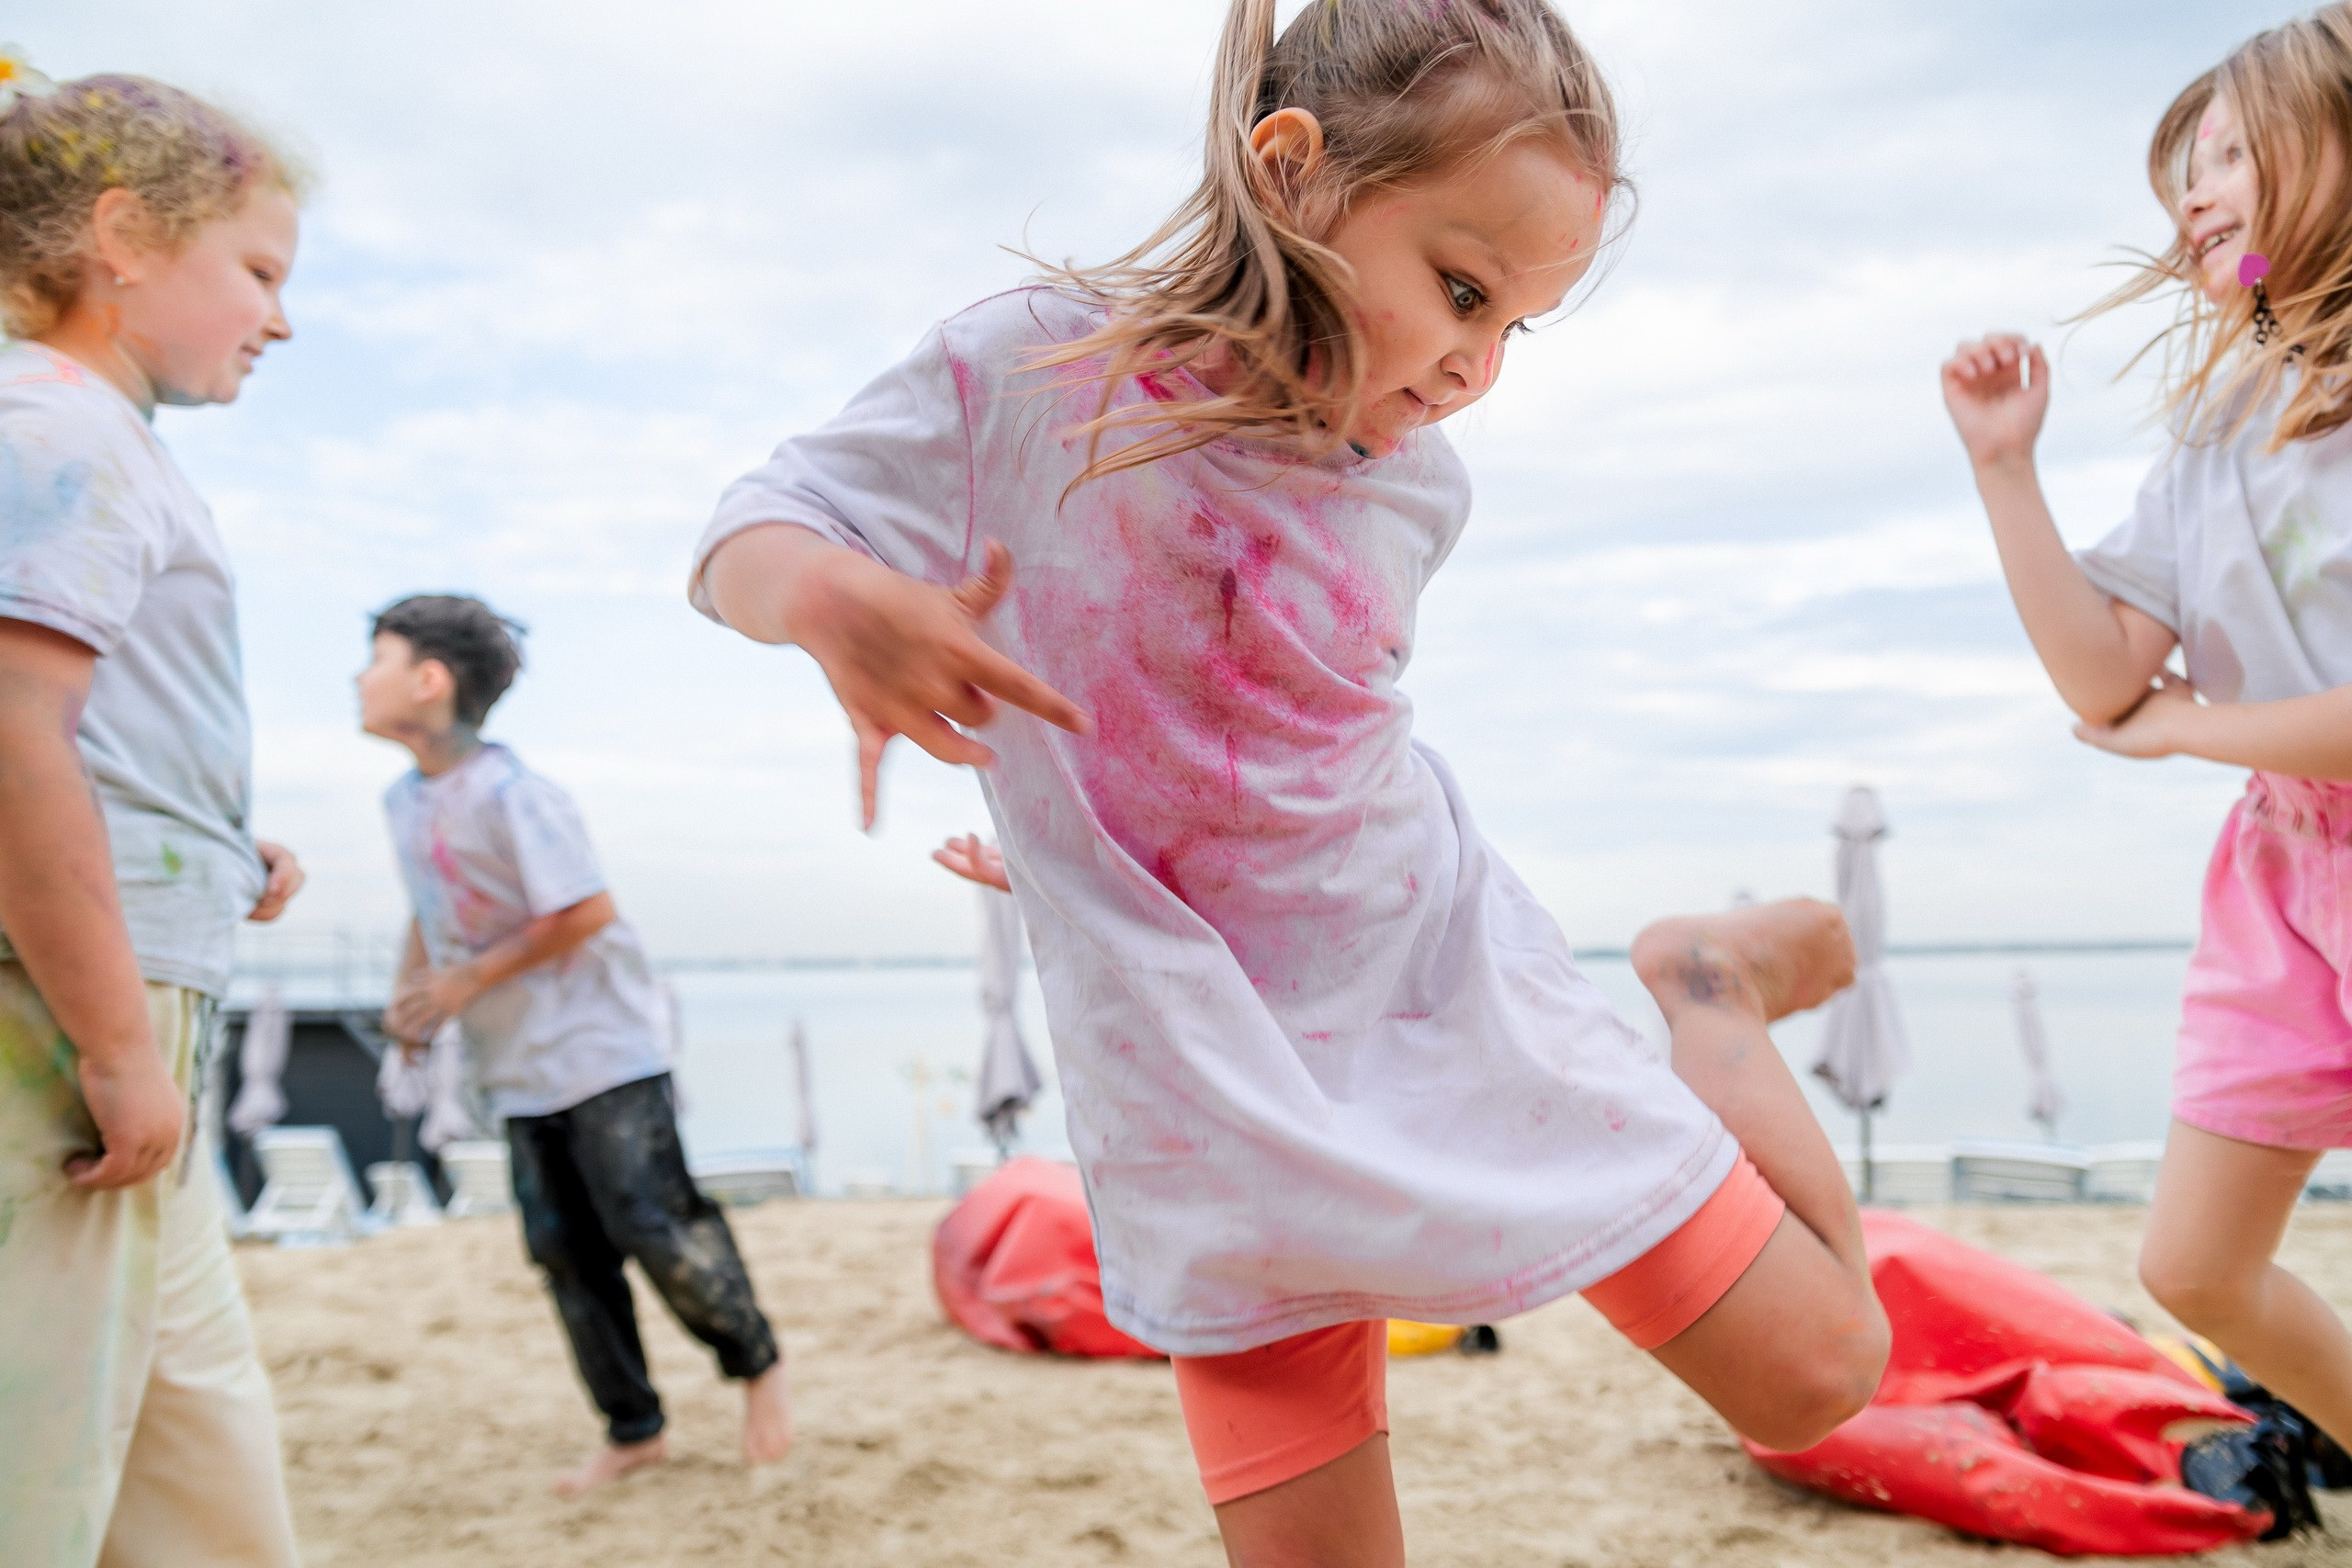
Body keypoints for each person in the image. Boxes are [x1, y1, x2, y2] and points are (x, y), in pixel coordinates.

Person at [691, 2, 1888, 1560]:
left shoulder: (1415, 485)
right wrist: (831, 602)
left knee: (1818, 1374)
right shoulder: (1031, 372)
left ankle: (1708, 986)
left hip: (1434, 981)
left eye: (1516, 325)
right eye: (1463, 291)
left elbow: (1296, 737)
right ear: (1294, 171)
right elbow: (746, 528)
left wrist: (1150, 806)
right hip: (1192, 1073)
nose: (1476, 369)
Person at [1941, 5, 2352, 1457]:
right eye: (2186, 162)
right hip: (2286, 877)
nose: (2196, 187)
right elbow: (2105, 679)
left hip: (2296, 806)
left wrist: (2203, 733)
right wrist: (2006, 473)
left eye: (2236, 151)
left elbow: (2165, 720)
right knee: (2192, 1266)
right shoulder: (2224, 418)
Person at [0, 60, 310, 1568]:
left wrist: (208, 836)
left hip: (132, 995)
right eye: (257, 269)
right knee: (34, 1467)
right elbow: (9, 735)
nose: (282, 315)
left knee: (200, 1460)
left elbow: (95, 735)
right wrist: (118, 1049)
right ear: (120, 237)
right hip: (69, 1021)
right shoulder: (54, 429)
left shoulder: (104, 440)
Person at [356, 593, 793, 1495]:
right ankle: (633, 1427)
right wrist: (417, 1000)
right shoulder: (403, 801)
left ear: (430, 680)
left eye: (378, 659)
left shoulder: (519, 793)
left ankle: (758, 1369)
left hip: (606, 1051)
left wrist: (463, 982)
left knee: (655, 1224)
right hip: (517, 1070)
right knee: (563, 1252)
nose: (359, 679)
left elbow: (584, 910)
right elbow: (432, 906)